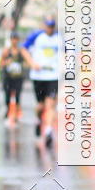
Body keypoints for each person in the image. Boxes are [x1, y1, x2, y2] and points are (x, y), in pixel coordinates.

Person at [22, 17, 59, 146]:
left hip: (53, 76)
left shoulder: (59, 38)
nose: (50, 28)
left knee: (50, 105)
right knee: (41, 106)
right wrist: (32, 63)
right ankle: (38, 121)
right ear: (44, 25)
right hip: (38, 77)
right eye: (48, 26)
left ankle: (48, 131)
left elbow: (70, 52)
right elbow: (24, 49)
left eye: (52, 26)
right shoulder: (36, 36)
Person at [0, 32, 26, 122]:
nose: (14, 41)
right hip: (8, 77)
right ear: (10, 40)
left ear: (18, 40)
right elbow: (1, 63)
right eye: (13, 39)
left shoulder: (21, 51)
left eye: (16, 39)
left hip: (18, 77)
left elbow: (28, 60)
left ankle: (16, 115)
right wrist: (6, 62)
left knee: (17, 96)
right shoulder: (6, 51)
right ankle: (8, 110)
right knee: (8, 96)